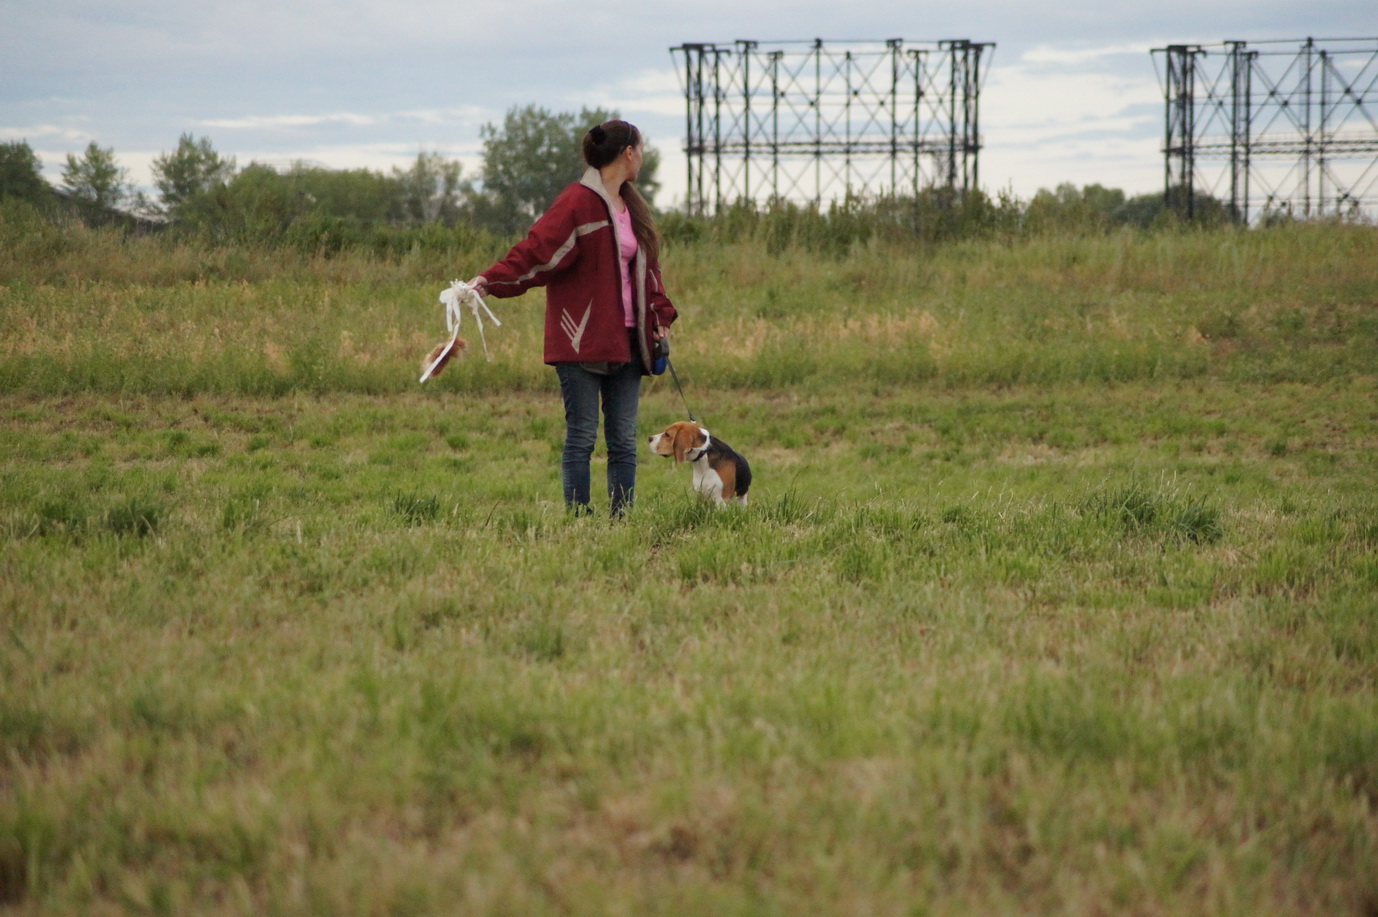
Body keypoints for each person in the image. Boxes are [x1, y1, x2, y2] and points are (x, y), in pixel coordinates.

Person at [468, 120, 677, 517]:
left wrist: (660, 314)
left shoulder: (632, 206)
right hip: (581, 338)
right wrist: (489, 280)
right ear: (628, 153)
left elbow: (650, 271)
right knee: (581, 437)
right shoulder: (577, 202)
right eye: (641, 150)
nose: (643, 157)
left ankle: (621, 519)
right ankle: (579, 519)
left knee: (623, 439)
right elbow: (536, 253)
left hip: (629, 340)